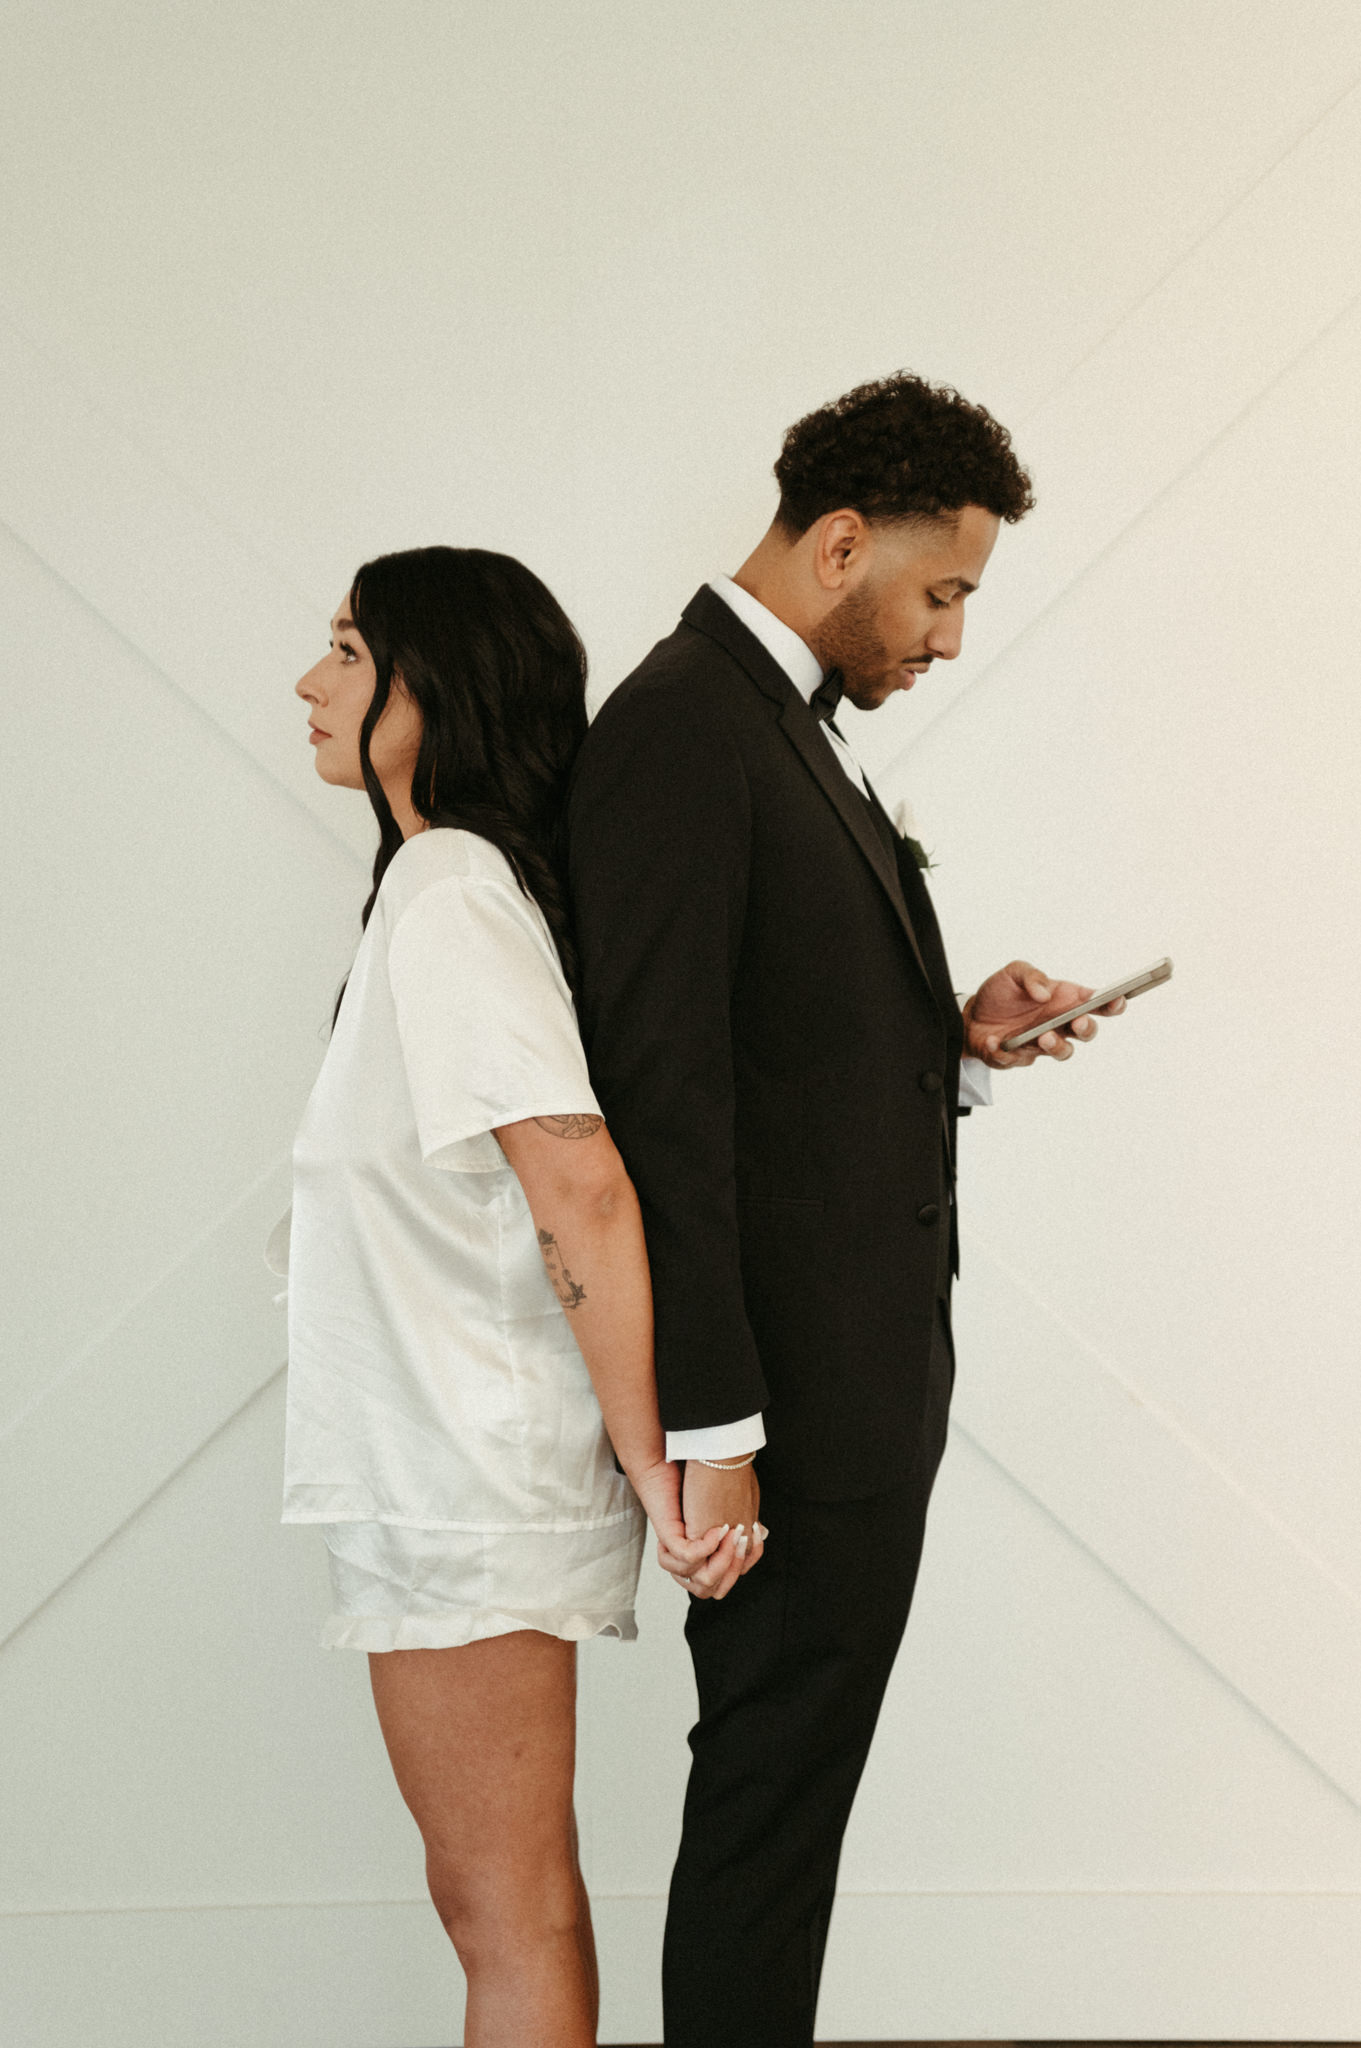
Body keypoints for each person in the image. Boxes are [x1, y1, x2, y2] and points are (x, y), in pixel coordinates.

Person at [565, 371, 1127, 2047]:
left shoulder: (776, 722)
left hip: (852, 1390)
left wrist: (949, 1043)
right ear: (834, 546)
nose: (948, 638)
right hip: (786, 1411)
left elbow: (778, 1051)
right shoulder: (683, 726)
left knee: (788, 1809)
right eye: (939, 592)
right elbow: (664, 1100)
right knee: (767, 1812)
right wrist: (715, 1429)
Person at [269, 546, 718, 2048]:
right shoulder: (444, 885)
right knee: (498, 1900)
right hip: (441, 1469)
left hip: (465, 1480)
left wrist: (655, 1458)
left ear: (439, 686)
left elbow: (579, 1179)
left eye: (349, 650)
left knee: (503, 1907)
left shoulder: (452, 887)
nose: (310, 682)